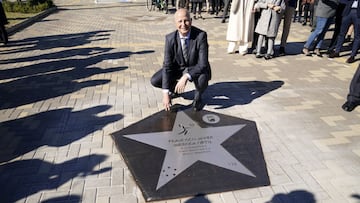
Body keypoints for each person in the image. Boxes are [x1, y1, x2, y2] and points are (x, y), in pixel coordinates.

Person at [150, 9, 211, 111]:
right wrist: (166, 93)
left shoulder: (201, 36)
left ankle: (198, 97)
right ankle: (174, 89)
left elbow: (203, 64)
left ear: (191, 21)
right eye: (180, 21)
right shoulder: (170, 39)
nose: (183, 24)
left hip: (195, 67)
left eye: (186, 20)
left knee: (202, 78)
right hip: (178, 68)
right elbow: (167, 66)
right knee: (155, 80)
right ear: (175, 23)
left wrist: (186, 76)